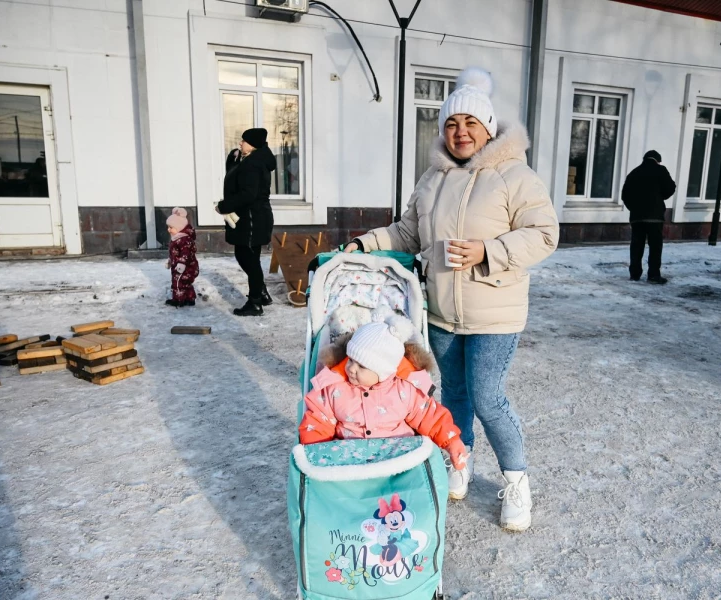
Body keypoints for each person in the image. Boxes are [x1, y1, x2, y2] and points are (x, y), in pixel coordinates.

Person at [344, 67, 559, 531]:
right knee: (454, 395)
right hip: (441, 312)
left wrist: (490, 251)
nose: (460, 132)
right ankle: (459, 463)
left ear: (487, 128)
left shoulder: (514, 175)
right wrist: (365, 243)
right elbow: (407, 232)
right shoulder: (432, 178)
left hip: (495, 311)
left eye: (470, 123)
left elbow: (545, 233)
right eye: (451, 124)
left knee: (487, 397)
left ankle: (516, 483)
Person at [298, 319, 468, 471]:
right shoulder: (335, 389)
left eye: (362, 366)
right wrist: (315, 453)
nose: (351, 368)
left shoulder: (404, 391)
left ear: (383, 372)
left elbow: (430, 418)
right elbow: (319, 420)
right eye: (350, 360)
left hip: (397, 458)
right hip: (350, 461)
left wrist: (452, 442)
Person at [216, 128, 276, 316]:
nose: (240, 143)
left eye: (244, 141)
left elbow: (247, 194)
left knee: (247, 258)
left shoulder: (253, 164)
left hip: (252, 219)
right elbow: (235, 178)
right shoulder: (254, 160)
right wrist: (232, 159)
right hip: (255, 217)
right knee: (250, 258)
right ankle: (261, 293)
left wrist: (224, 206)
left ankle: (255, 302)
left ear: (253, 145)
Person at [621, 150, 676, 284]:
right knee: (655, 246)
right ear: (657, 160)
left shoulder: (634, 173)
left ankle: (635, 274)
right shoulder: (661, 170)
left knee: (636, 245)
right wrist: (659, 198)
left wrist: (633, 208)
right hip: (655, 216)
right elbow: (670, 187)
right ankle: (653, 274)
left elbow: (625, 195)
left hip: (637, 217)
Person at [165, 207, 199, 307]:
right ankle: (190, 299)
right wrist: (170, 261)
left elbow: (186, 253)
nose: (168, 230)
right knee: (186, 283)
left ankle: (178, 300)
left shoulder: (184, 240)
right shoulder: (177, 238)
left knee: (178, 283)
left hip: (186, 267)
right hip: (180, 265)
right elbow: (174, 252)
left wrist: (182, 263)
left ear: (179, 227)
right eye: (168, 227)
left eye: (171, 227)